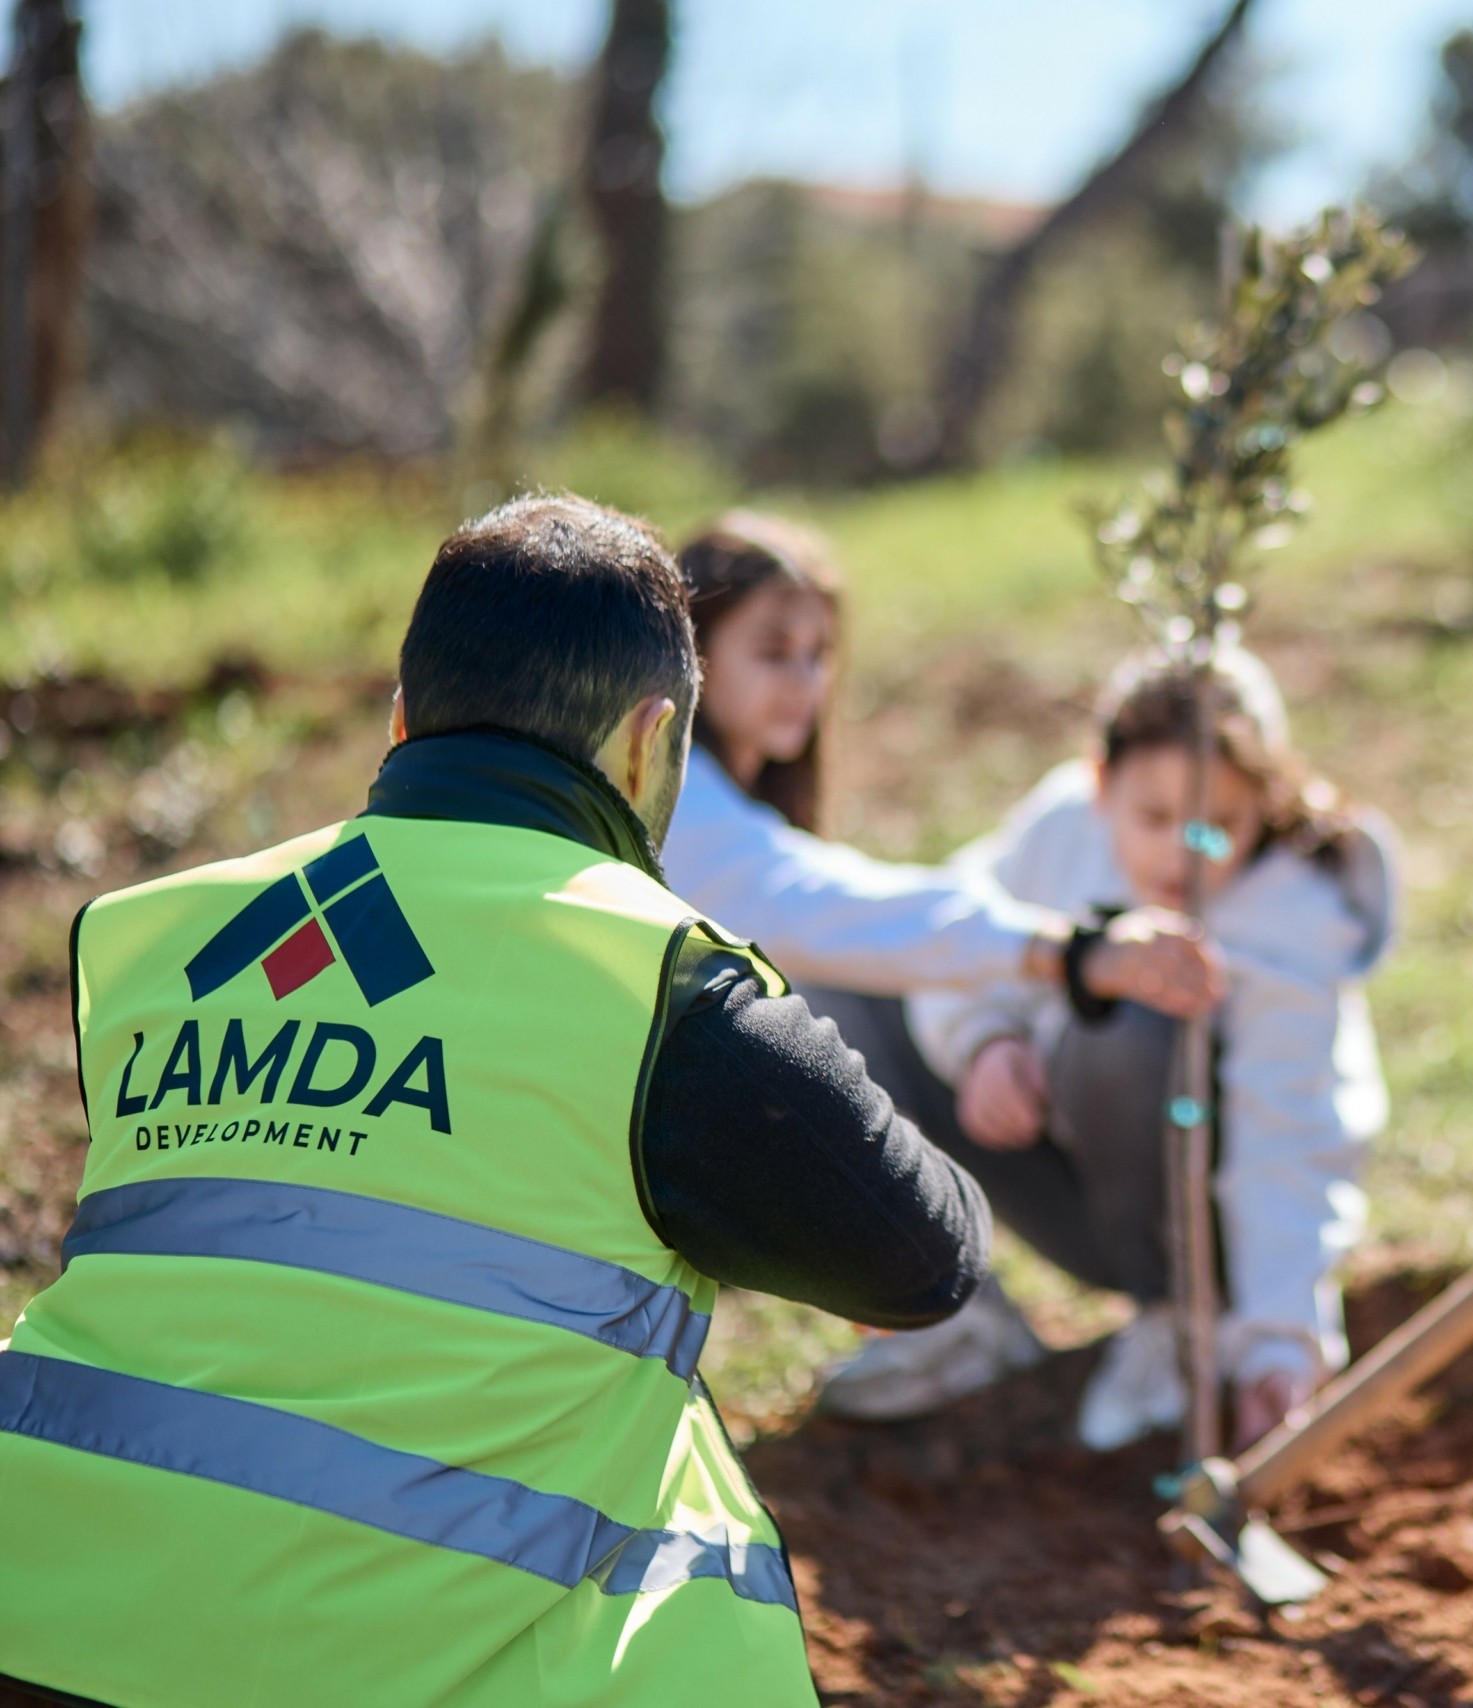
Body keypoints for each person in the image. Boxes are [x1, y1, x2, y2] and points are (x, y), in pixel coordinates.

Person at [0, 496, 991, 1707]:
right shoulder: (654, 979)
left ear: (403, 714)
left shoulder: (157, 931)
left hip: (41, 1614)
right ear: (648, 744)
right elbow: (918, 1260)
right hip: (374, 1668)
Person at [654, 513, 1226, 1417]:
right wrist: (1067, 952)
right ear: (692, 658)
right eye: (773, 651)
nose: (804, 681)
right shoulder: (680, 808)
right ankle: (935, 1314)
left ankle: (954, 1319)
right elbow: (825, 908)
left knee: (824, 992)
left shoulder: (727, 801)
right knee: (800, 999)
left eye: (819, 652)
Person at [832, 647, 1398, 1453]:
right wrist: (985, 1040)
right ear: (1102, 786)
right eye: (1156, 819)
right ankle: (957, 1321)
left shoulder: (1293, 924)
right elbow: (950, 941)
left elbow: (1290, 1137)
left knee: (1133, 1020)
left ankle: (1178, 1316)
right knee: (846, 988)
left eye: (1218, 826)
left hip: (1200, 1221)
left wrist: (1281, 1342)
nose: (1185, 854)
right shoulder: (1064, 826)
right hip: (1062, 1172)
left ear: (1265, 803)